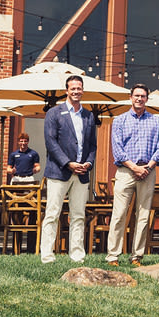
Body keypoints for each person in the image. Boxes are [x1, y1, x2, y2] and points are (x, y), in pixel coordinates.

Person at [40, 74, 97, 263]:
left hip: (81, 174)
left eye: (79, 88)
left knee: (78, 215)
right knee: (52, 213)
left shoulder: (88, 115)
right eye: (73, 88)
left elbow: (92, 146)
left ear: (83, 90)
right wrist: (68, 163)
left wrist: (88, 163)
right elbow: (51, 143)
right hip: (59, 171)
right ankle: (47, 255)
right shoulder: (54, 113)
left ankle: (77, 255)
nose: (76, 91)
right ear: (67, 91)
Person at [107, 83, 159, 266]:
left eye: (143, 96)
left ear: (147, 99)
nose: (139, 99)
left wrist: (147, 167)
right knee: (119, 214)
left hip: (148, 171)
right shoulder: (120, 120)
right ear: (131, 98)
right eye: (136, 95)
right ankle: (113, 256)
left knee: (143, 215)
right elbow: (117, 149)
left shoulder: (156, 121)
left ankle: (136, 256)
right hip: (125, 171)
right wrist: (134, 168)